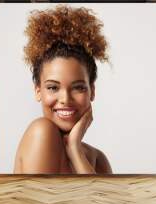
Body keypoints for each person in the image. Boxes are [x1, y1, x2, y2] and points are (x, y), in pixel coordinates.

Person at [14, 5, 112, 174]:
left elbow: (105, 201)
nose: (65, 99)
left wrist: (75, 150)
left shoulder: (98, 158)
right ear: (38, 91)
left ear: (92, 91)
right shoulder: (42, 133)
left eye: (78, 88)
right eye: (53, 87)